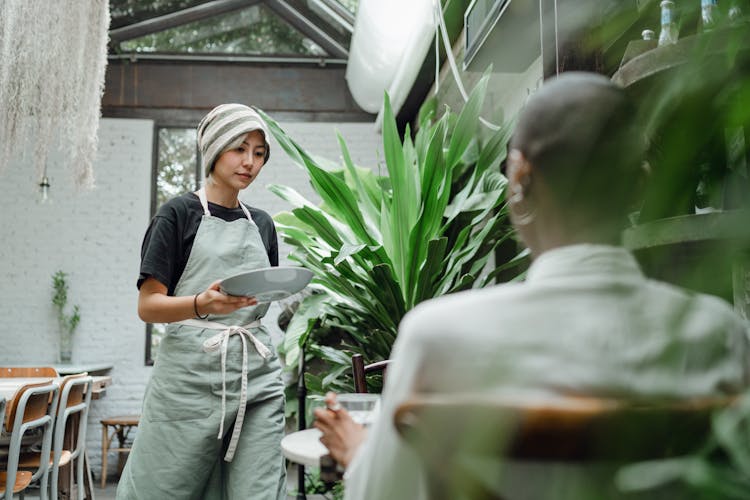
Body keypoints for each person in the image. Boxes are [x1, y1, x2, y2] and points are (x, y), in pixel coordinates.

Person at [313, 72, 750, 500]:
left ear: (520, 181)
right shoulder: (717, 335)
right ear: (639, 185)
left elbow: (386, 495)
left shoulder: (438, 338)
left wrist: (355, 450)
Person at [117, 104, 286, 500]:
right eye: (239, 149)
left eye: (259, 153)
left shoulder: (262, 223)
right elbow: (148, 306)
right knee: (163, 488)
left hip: (254, 373)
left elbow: (263, 294)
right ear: (214, 150)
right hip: (188, 380)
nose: (249, 162)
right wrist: (202, 304)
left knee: (259, 490)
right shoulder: (177, 214)